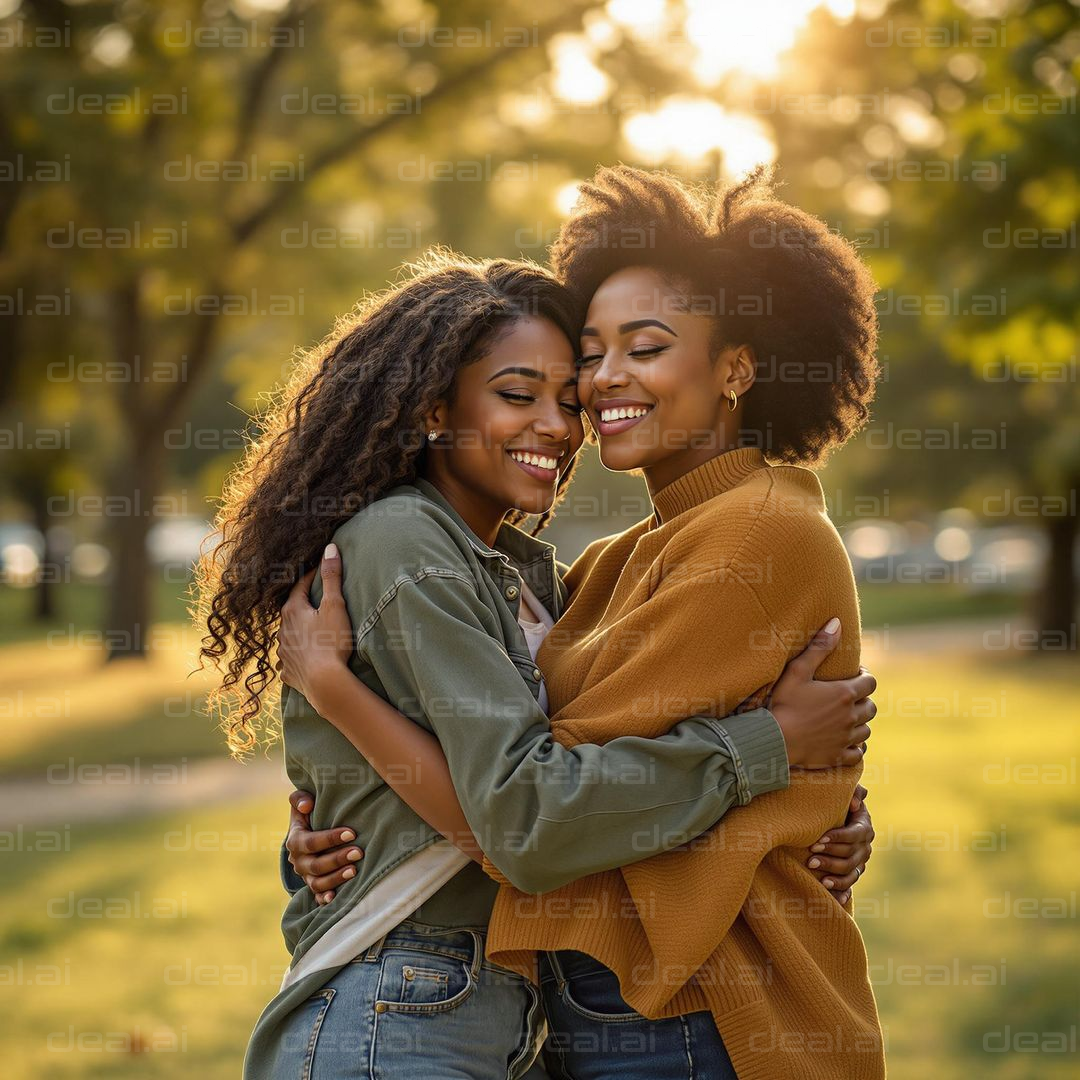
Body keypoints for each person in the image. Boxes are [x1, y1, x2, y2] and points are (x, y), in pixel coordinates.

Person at [194, 249, 876, 1080]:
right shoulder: (413, 546)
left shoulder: (544, 574)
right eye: (522, 394)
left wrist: (817, 805)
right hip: (405, 997)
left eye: (569, 391)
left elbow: (580, 747)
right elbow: (525, 816)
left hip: (498, 1010)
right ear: (433, 409)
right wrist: (769, 750)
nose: (561, 422)